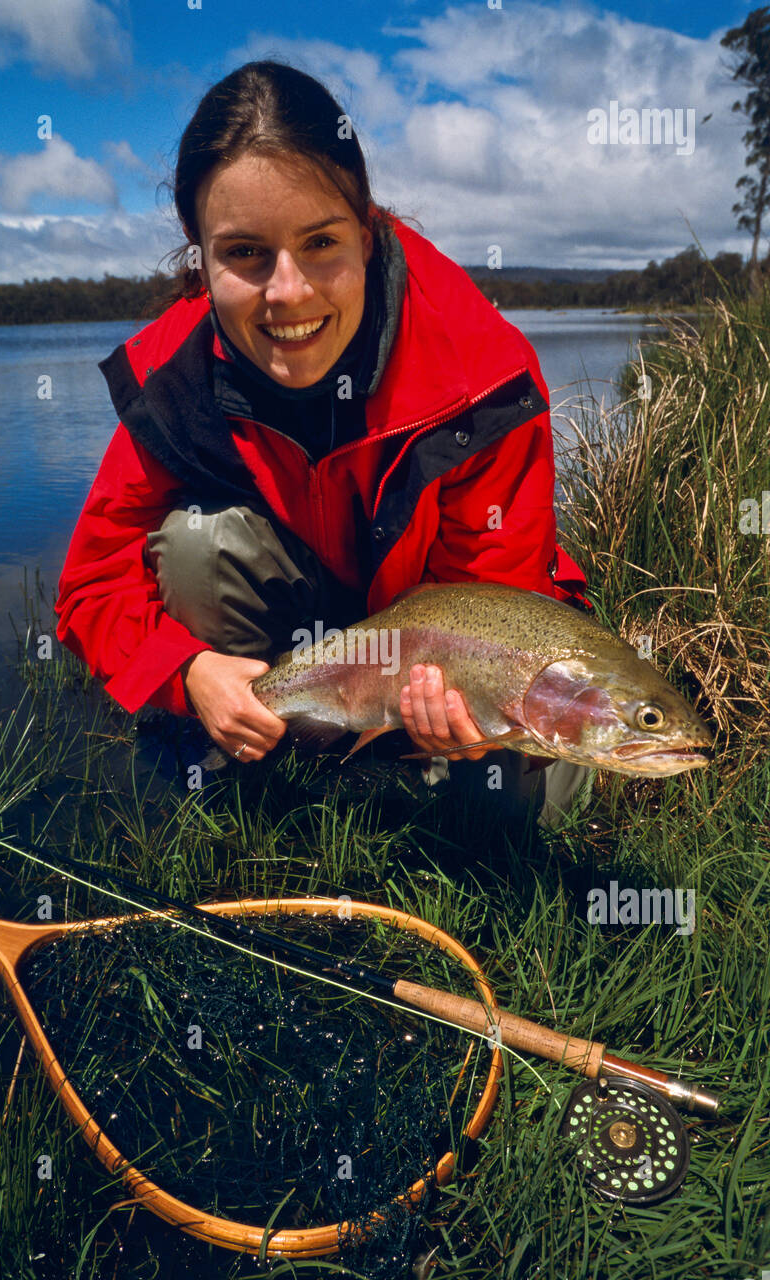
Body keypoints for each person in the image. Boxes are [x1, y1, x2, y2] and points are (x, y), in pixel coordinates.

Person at [54, 60, 590, 825]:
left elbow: (498, 597)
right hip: (311, 635)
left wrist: (461, 721)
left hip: (430, 637)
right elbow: (90, 587)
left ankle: (385, 761)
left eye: (320, 243)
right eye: (245, 253)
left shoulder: (482, 377)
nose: (288, 292)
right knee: (196, 548)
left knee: (525, 803)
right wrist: (189, 672)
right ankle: (263, 754)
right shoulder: (172, 379)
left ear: (368, 231)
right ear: (197, 249)